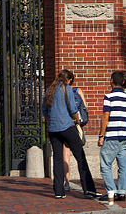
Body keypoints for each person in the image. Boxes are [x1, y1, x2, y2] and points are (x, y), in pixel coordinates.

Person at [43, 69, 101, 199]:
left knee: (57, 159)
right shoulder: (66, 88)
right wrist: (78, 121)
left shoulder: (49, 90)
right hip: (67, 126)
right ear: (68, 80)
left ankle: (58, 191)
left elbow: (45, 111)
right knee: (80, 156)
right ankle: (89, 189)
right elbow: (73, 109)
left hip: (53, 129)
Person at [97, 71, 126, 204]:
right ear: (123, 82)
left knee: (105, 164)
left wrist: (101, 135)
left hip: (111, 135)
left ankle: (111, 191)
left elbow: (106, 116)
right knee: (123, 165)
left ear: (111, 80)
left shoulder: (109, 97)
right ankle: (122, 192)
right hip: (124, 135)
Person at [62, 74, 88, 191]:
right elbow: (85, 108)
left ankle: (67, 182)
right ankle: (84, 183)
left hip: (65, 125)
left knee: (66, 155)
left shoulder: (60, 92)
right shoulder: (78, 91)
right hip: (76, 126)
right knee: (79, 155)